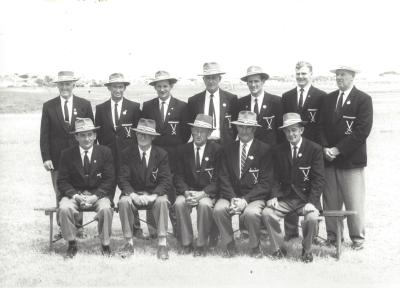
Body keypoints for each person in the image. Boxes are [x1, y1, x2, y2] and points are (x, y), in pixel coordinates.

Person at [320, 66, 373, 251]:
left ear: (353, 76)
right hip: (329, 160)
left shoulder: (363, 100)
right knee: (331, 202)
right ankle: (333, 237)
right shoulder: (328, 99)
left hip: (351, 161)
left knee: (354, 201)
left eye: (343, 74)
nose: (339, 77)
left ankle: (357, 239)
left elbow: (361, 132)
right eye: (337, 74)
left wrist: (337, 150)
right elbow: (320, 127)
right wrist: (326, 148)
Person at [262, 113, 324, 262]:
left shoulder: (314, 149)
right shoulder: (278, 150)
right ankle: (278, 248)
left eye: (294, 130)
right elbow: (274, 177)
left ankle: (307, 250)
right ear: (284, 132)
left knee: (312, 217)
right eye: (287, 131)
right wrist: (274, 196)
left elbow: (319, 179)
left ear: (301, 130)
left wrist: (312, 201)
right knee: (267, 213)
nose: (291, 134)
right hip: (285, 198)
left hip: (305, 199)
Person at [40, 71, 94, 236]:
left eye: (68, 84)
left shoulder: (84, 104)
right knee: (60, 191)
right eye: (61, 84)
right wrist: (46, 158)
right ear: (57, 86)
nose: (65, 87)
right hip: (57, 159)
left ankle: (78, 227)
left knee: (80, 190)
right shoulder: (49, 106)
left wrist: (92, 155)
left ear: (73, 85)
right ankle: (62, 227)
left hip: (80, 156)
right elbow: (44, 135)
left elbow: (91, 132)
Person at [214, 111, 273, 258]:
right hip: (231, 195)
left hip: (253, 197)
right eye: (241, 127)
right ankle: (229, 245)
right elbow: (223, 177)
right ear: (237, 128)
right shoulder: (227, 149)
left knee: (251, 213)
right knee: (219, 209)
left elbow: (265, 183)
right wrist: (233, 198)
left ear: (254, 129)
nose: (244, 131)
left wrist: (245, 200)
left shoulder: (265, 150)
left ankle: (255, 247)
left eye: (248, 127)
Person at [281, 61, 326, 241]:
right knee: (290, 190)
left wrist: (320, 148)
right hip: (291, 148)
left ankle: (312, 235)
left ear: (311, 74)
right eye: (298, 73)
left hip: (312, 151)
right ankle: (291, 234)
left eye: (304, 73)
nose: (300, 77)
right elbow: (285, 125)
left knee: (312, 190)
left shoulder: (321, 97)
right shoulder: (287, 96)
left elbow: (322, 126)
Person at [95, 73, 144, 238]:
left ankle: (136, 229)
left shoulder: (134, 107)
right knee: (105, 194)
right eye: (114, 86)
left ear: (125, 88)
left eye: (120, 86)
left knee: (130, 191)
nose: (117, 90)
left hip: (128, 158)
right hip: (108, 159)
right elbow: (97, 135)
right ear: (109, 88)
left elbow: (139, 134)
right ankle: (104, 231)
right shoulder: (100, 109)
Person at [142, 70, 190, 236]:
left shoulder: (182, 106)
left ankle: (178, 230)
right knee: (153, 191)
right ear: (155, 87)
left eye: (165, 86)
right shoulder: (148, 106)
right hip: (154, 157)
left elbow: (185, 134)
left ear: (171, 86)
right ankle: (154, 231)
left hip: (175, 157)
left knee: (174, 193)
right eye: (159, 86)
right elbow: (146, 132)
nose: (162, 89)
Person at [57, 118, 115, 258]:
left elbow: (109, 180)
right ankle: (71, 243)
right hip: (75, 195)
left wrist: (95, 196)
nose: (86, 138)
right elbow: (62, 181)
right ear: (76, 136)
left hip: (97, 195)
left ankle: (105, 244)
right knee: (64, 208)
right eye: (82, 135)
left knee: (106, 208)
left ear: (95, 135)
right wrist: (76, 196)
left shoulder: (105, 152)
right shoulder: (67, 154)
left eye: (89, 134)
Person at [118, 118, 173, 260]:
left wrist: (153, 195)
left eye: (146, 134)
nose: (142, 137)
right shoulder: (126, 153)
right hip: (134, 194)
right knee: (124, 202)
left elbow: (166, 180)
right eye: (139, 133)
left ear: (153, 137)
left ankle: (162, 244)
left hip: (153, 195)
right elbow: (123, 179)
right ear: (135, 134)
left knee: (162, 201)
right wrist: (133, 195)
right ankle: (128, 243)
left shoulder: (162, 154)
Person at [173, 114, 222, 256]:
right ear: (192, 131)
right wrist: (186, 192)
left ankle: (201, 244)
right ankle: (186, 243)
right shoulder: (183, 150)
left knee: (205, 205)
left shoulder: (217, 150)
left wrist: (203, 194)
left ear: (209, 133)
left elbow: (218, 179)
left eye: (202, 131)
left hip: (206, 193)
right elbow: (178, 177)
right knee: (179, 203)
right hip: (188, 192)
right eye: (196, 130)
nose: (198, 134)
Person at [187, 62, 238, 146]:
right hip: (202, 145)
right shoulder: (194, 101)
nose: (211, 81)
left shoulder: (231, 99)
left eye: (214, 78)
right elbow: (191, 126)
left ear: (219, 78)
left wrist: (230, 138)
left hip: (225, 145)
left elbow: (234, 124)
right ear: (203, 79)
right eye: (207, 78)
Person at [237, 66, 284, 146]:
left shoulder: (276, 102)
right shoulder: (241, 102)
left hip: (270, 151)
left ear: (263, 81)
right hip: (249, 149)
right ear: (247, 83)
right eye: (250, 82)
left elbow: (281, 130)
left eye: (256, 81)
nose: (253, 84)